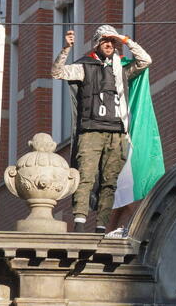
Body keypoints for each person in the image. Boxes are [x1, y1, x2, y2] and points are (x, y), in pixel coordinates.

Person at [51, 25, 152, 233]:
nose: (109, 44)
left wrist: (125, 40)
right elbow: (57, 72)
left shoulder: (122, 69)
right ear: (97, 43)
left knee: (110, 181)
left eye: (112, 42)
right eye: (105, 41)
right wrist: (65, 49)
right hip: (91, 131)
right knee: (85, 176)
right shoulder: (84, 67)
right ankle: (79, 222)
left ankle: (101, 225)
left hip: (116, 132)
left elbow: (145, 60)